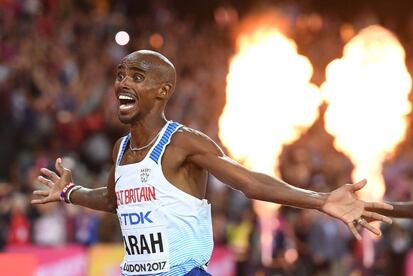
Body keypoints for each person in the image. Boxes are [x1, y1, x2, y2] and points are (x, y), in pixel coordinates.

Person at [32, 50, 393, 276]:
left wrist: (321, 200)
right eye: (120, 76)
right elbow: (114, 201)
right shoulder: (121, 148)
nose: (123, 83)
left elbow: (248, 182)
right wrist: (70, 193)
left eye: (137, 77)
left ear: (163, 90)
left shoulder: (182, 142)